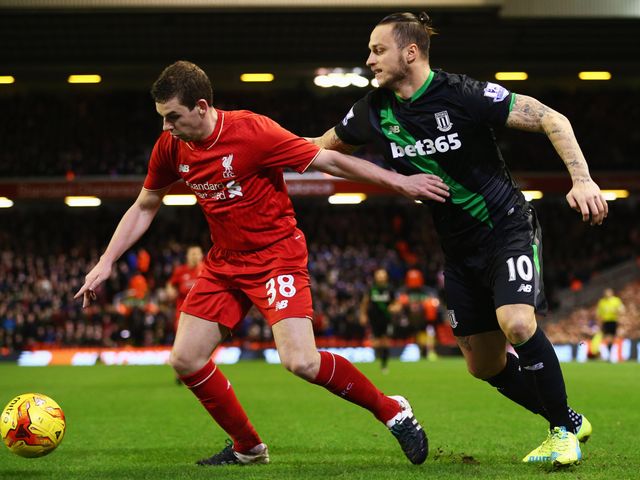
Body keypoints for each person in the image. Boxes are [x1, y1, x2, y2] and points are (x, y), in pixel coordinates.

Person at [74, 61, 449, 466]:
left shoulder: (253, 131)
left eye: (173, 117)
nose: (167, 128)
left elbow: (330, 161)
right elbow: (145, 205)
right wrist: (106, 262)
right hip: (224, 263)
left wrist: (400, 182)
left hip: (276, 256)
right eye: (163, 119)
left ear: (201, 107)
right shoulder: (170, 147)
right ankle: (248, 447)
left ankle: (393, 410)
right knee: (185, 359)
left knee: (301, 361)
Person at [309, 12, 608, 466]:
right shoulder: (373, 109)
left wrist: (582, 179)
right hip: (458, 249)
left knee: (518, 324)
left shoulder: (463, 94)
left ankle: (562, 432)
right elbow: (317, 147)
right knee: (483, 365)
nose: (369, 59)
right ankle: (568, 416)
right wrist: (257, 146)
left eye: (377, 49)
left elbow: (551, 117)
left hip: (506, 227)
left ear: (410, 52)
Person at [360, 268, 395, 373]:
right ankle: (377, 360)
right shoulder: (372, 289)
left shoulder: (390, 289)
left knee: (385, 341)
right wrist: (363, 315)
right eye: (379, 275)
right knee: (376, 341)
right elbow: (365, 302)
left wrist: (394, 307)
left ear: (386, 277)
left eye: (382, 275)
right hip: (374, 318)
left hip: (386, 318)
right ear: (376, 276)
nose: (380, 277)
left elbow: (396, 303)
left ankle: (384, 364)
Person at [166, 245, 204, 334]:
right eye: (192, 254)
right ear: (187, 256)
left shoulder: (206, 270)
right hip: (183, 312)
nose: (194, 256)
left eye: (197, 254)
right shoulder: (180, 270)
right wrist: (170, 290)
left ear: (201, 256)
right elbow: (170, 284)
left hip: (202, 312)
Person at [595, 287, 625, 359]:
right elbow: (599, 313)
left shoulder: (616, 300)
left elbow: (622, 309)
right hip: (605, 321)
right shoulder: (602, 302)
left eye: (608, 292)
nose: (607, 294)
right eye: (606, 293)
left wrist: (618, 311)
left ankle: (613, 353)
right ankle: (609, 353)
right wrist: (599, 322)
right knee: (607, 338)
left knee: (614, 337)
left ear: (612, 293)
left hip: (614, 321)